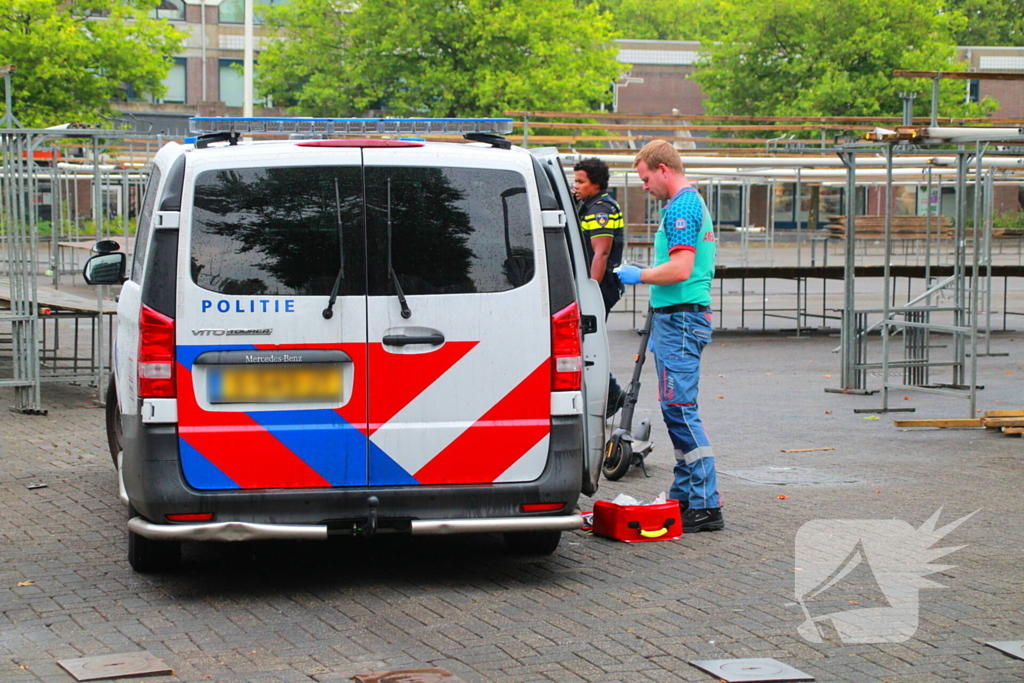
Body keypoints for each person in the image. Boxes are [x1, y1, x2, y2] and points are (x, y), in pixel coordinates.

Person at [616, 140, 723, 533]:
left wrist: (640, 275)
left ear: (663, 169)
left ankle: (705, 503)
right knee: (675, 408)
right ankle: (686, 495)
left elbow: (680, 269)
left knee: (679, 408)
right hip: (677, 318)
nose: (644, 187)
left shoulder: (682, 206)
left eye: (645, 179)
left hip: (680, 320)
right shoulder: (684, 205)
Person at [572, 157, 625, 416]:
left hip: (600, 288)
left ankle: (613, 394)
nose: (576, 186)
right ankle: (609, 394)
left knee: (586, 344)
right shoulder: (590, 205)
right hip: (601, 287)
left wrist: (589, 292)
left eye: (581, 181)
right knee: (583, 343)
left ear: (596, 183)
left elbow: (600, 255)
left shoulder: (600, 210)